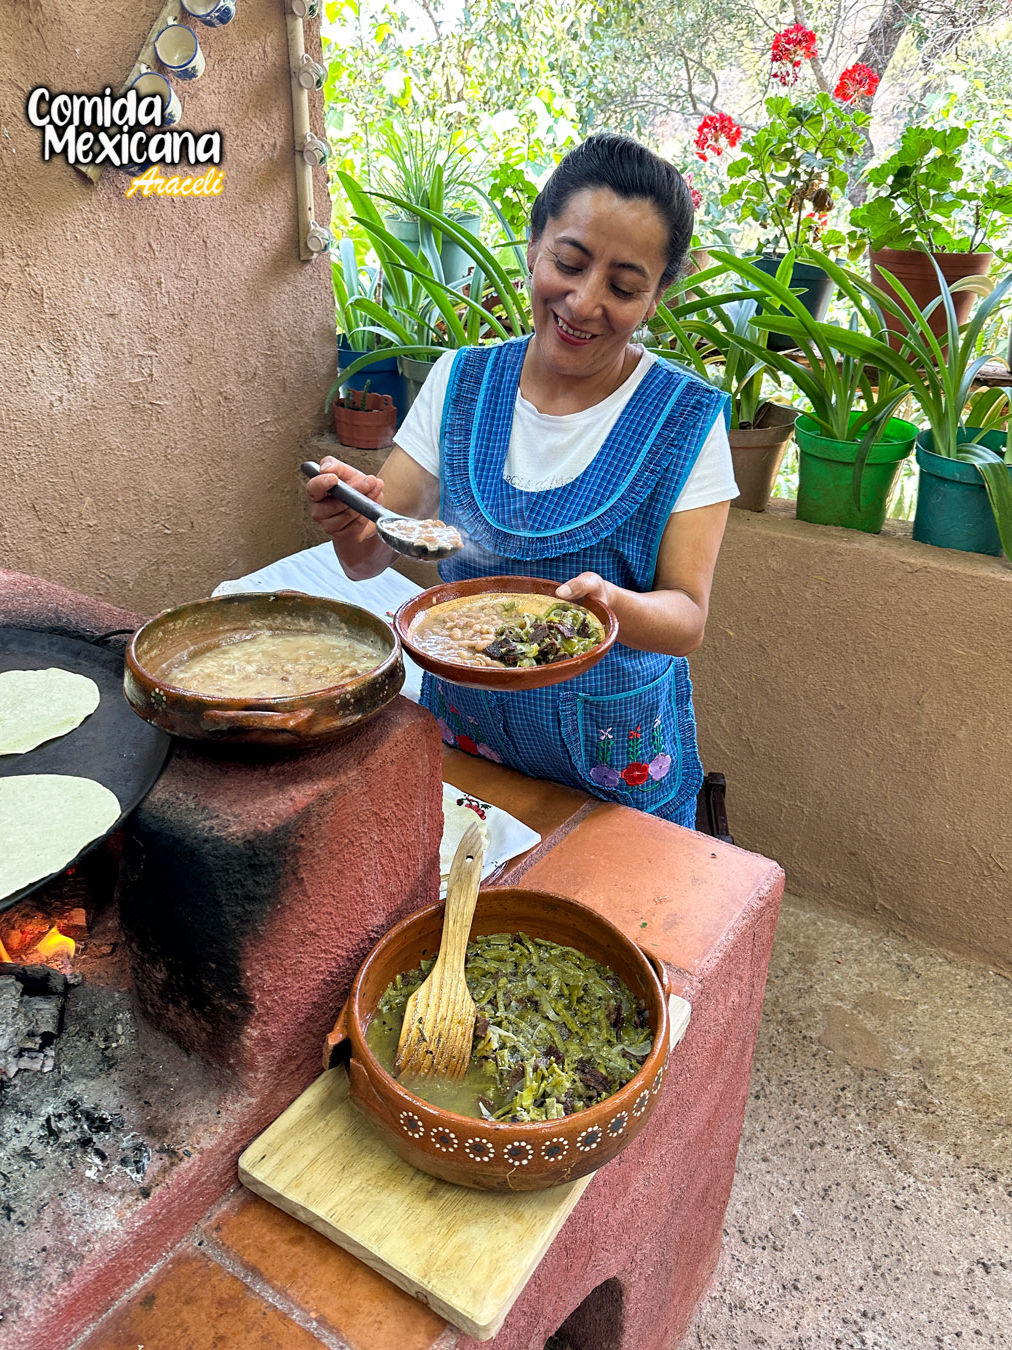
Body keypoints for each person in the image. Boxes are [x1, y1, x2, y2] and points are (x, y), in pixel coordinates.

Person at [307, 132, 736, 827]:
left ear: (656, 297)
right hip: (469, 747)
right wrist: (354, 520)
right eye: (568, 262)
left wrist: (610, 606)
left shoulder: (685, 420)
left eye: (625, 287)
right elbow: (371, 555)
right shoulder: (460, 384)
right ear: (534, 246)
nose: (585, 302)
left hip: (613, 767)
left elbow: (686, 618)